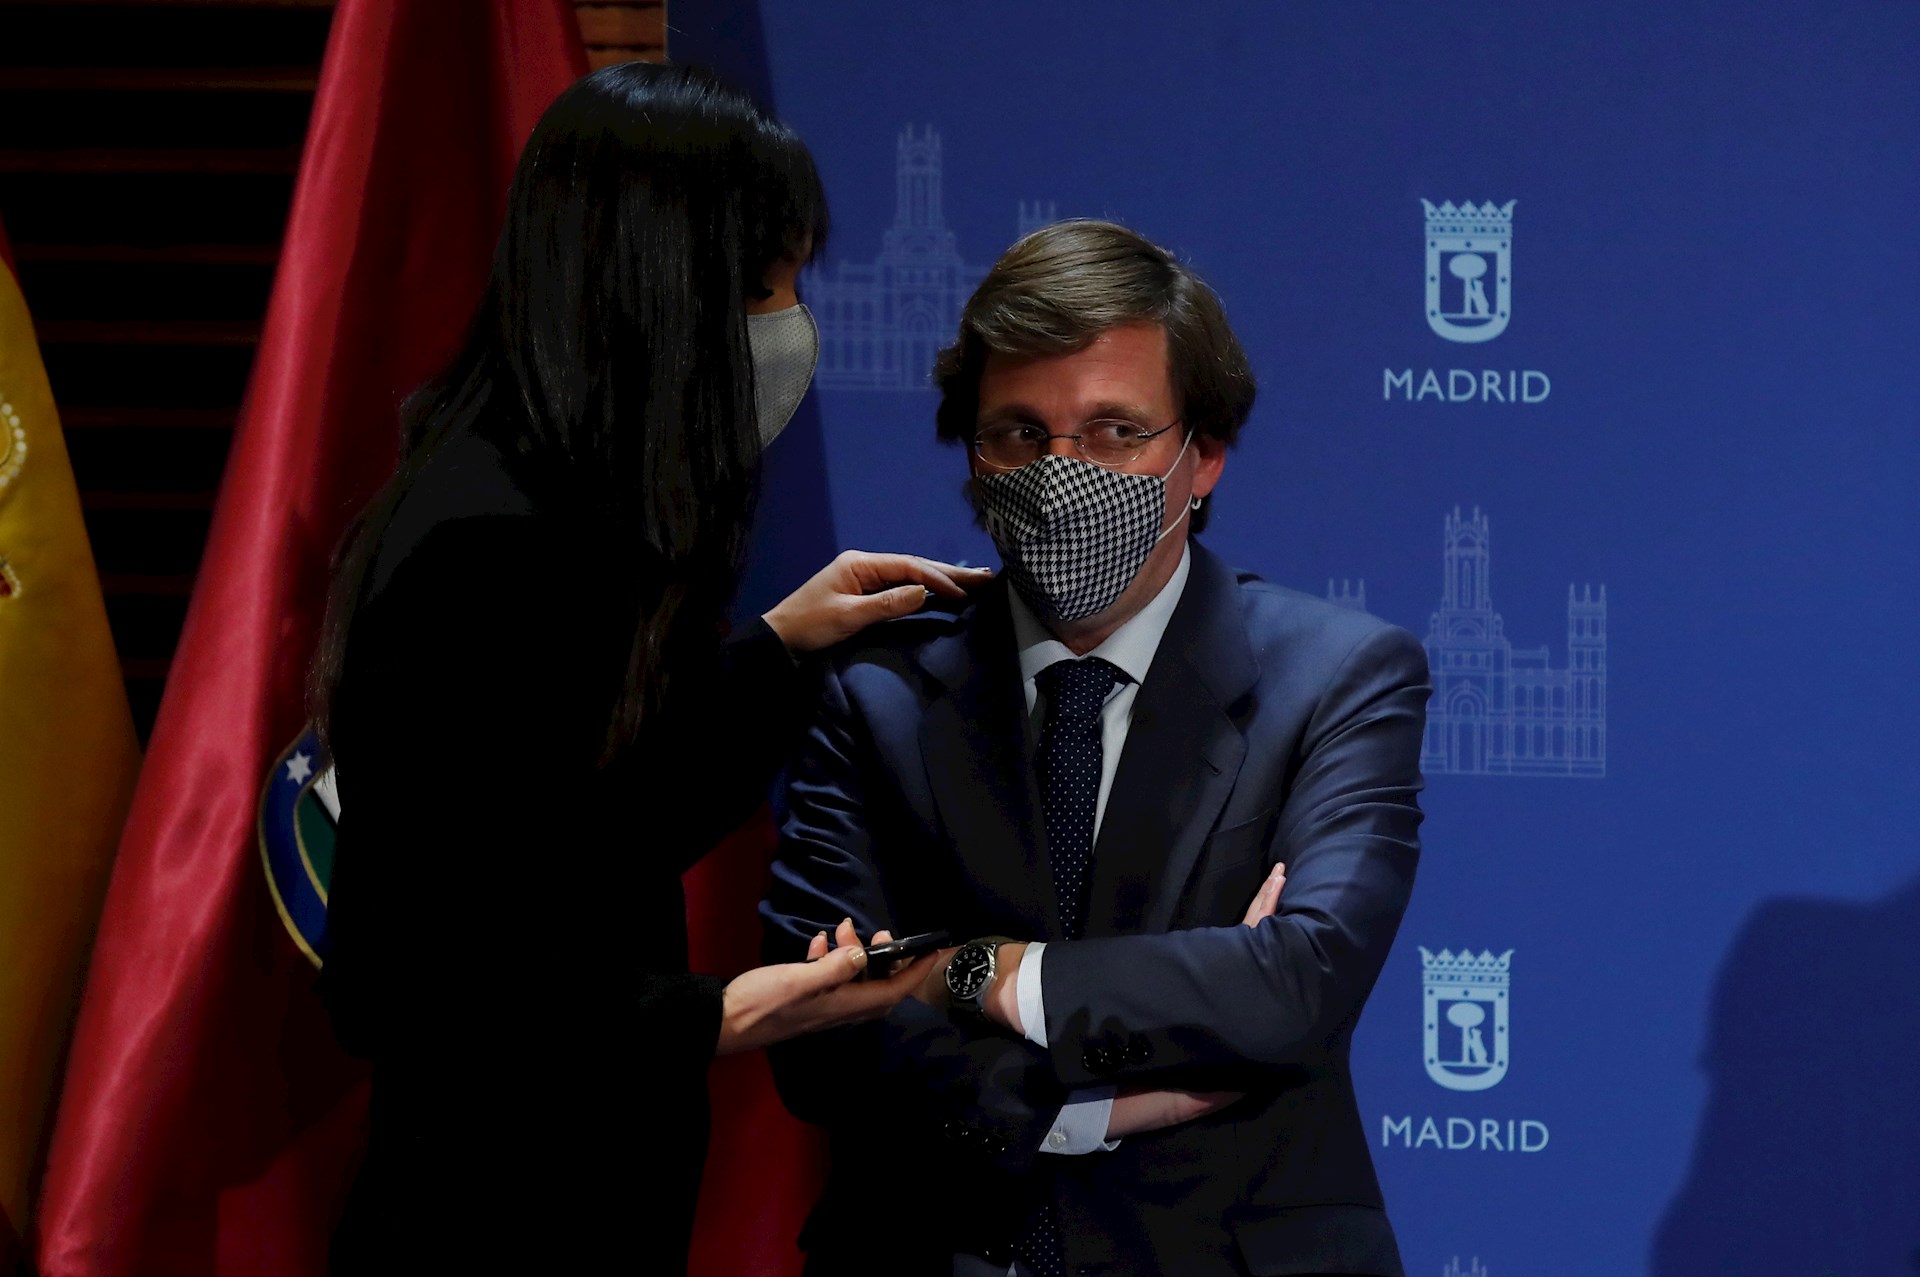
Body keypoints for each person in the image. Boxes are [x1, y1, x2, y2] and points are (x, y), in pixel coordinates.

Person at [308, 63, 986, 1274]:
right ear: (661, 291)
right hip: (485, 1217)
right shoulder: (488, 542)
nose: (792, 327)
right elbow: (409, 977)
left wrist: (779, 646)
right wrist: (726, 1009)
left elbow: (579, 829)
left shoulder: (559, 511)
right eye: (768, 286)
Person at [764, 219, 1429, 1276]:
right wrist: (1077, 1108)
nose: (1062, 472)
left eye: (1115, 430)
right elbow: (818, 1030)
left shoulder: (1338, 675)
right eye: (1020, 434)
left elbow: (1294, 983)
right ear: (973, 455)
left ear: (1203, 455)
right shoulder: (874, 688)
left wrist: (972, 971)